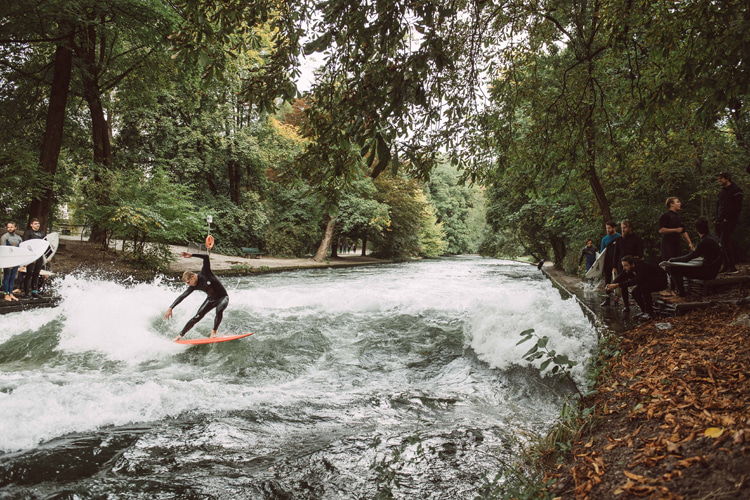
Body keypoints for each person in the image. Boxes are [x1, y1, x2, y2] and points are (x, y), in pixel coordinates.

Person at [164, 252, 229, 342]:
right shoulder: (193, 286)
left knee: (219, 309)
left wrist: (191, 255)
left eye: (188, 282)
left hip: (223, 297)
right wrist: (171, 307)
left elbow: (206, 257)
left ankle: (213, 333)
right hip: (211, 299)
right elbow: (182, 296)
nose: (188, 284)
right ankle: (179, 336)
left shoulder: (205, 273)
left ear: (193, 276)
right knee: (197, 317)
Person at [663, 217, 723, 300]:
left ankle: (682, 295)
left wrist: (672, 260)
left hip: (708, 272)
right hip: (714, 269)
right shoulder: (715, 238)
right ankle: (680, 292)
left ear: (696, 229)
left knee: (673, 268)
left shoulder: (705, 242)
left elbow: (688, 258)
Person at [607, 255, 668, 320]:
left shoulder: (641, 267)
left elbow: (636, 281)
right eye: (623, 266)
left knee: (644, 288)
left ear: (632, 264)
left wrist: (618, 285)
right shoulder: (629, 268)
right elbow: (621, 276)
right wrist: (612, 284)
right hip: (648, 281)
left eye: (625, 265)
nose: (624, 268)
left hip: (660, 282)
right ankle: (644, 310)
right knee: (635, 292)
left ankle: (650, 313)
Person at [658, 197, 693, 293]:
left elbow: (683, 232)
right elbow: (661, 230)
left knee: (678, 266)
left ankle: (677, 290)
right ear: (671, 204)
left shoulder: (679, 217)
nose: (680, 203)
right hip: (667, 245)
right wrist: (675, 230)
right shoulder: (665, 216)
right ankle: (673, 290)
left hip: (677, 245)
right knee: (670, 266)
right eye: (677, 202)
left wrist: (690, 243)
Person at [611, 220, 645, 312]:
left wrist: (636, 260)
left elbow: (640, 252)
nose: (623, 230)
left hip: (633, 265)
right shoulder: (619, 240)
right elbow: (616, 254)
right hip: (621, 265)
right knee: (623, 285)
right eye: (621, 228)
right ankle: (626, 305)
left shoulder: (636, 239)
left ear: (630, 228)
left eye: (625, 228)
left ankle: (643, 304)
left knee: (639, 282)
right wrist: (614, 266)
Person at [715, 171, 743, 274]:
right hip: (719, 221)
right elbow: (718, 206)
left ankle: (732, 266)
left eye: (721, 178)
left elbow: (737, 207)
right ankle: (726, 266)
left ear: (727, 178)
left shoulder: (736, 190)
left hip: (730, 221)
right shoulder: (722, 192)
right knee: (722, 244)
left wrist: (728, 218)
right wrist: (716, 218)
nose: (719, 180)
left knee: (725, 241)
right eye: (718, 178)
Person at [22, 218, 46, 299]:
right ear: (31, 225)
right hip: (31, 256)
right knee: (29, 274)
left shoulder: (42, 233)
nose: (37, 225)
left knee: (36, 274)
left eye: (38, 223)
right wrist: (32, 256)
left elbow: (44, 245)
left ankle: (34, 292)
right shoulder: (28, 233)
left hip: (39, 256)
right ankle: (26, 292)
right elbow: (26, 245)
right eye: (35, 223)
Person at [600, 221, 621, 306]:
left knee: (617, 280)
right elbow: (602, 253)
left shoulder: (619, 237)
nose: (608, 230)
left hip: (617, 262)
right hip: (607, 263)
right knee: (607, 281)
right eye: (606, 228)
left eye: (609, 228)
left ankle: (617, 299)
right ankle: (607, 299)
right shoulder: (604, 239)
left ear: (613, 228)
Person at [1, 221, 23, 302]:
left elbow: (20, 250)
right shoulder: (5, 237)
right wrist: (7, 262)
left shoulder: (19, 238)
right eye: (8, 227)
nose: (9, 228)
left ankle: (11, 293)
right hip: (8, 260)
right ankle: (6, 294)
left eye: (11, 227)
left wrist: (20, 263)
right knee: (7, 277)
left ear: (15, 228)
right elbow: (3, 250)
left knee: (13, 277)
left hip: (15, 260)